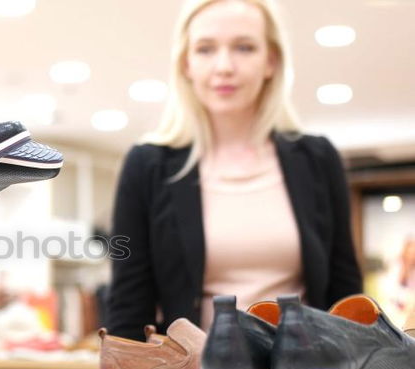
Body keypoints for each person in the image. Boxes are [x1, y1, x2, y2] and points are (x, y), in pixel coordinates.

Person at [106, 0, 363, 340]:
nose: (224, 66)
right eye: (205, 49)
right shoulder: (147, 166)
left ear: (270, 61)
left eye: (244, 47)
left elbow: (345, 295)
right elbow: (129, 304)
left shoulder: (317, 159)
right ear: (186, 63)